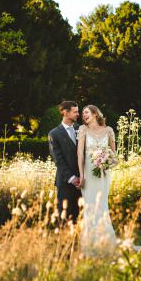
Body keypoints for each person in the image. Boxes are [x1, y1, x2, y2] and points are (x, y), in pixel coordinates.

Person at [77, 104, 118, 255]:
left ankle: (106, 242)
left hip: (103, 174)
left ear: (95, 113)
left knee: (102, 205)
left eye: (86, 112)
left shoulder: (109, 131)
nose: (83, 115)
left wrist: (107, 160)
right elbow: (80, 154)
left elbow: (114, 154)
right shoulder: (83, 130)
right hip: (88, 174)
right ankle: (90, 244)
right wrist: (82, 175)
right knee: (89, 206)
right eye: (82, 113)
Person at [48, 100, 81, 224]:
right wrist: (72, 178)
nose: (78, 114)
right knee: (64, 216)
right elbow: (58, 159)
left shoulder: (81, 129)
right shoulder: (54, 134)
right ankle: (64, 242)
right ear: (65, 113)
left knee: (79, 215)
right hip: (65, 182)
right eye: (75, 112)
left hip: (82, 181)